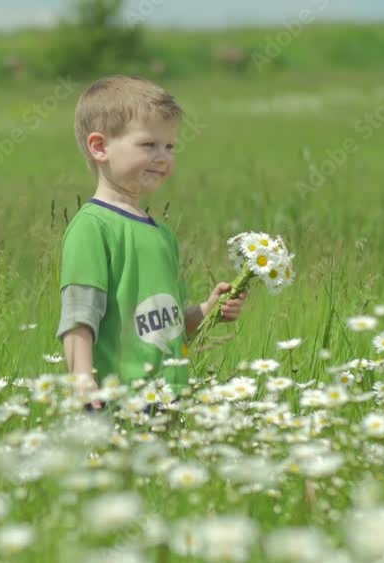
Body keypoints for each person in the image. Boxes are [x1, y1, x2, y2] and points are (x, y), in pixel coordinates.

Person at [56, 75, 247, 410]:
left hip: (169, 402)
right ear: (100, 147)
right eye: (148, 145)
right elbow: (79, 315)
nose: (163, 157)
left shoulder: (162, 234)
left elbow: (167, 325)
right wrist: (83, 382)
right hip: (117, 402)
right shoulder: (92, 227)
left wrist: (207, 310)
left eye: (170, 146)